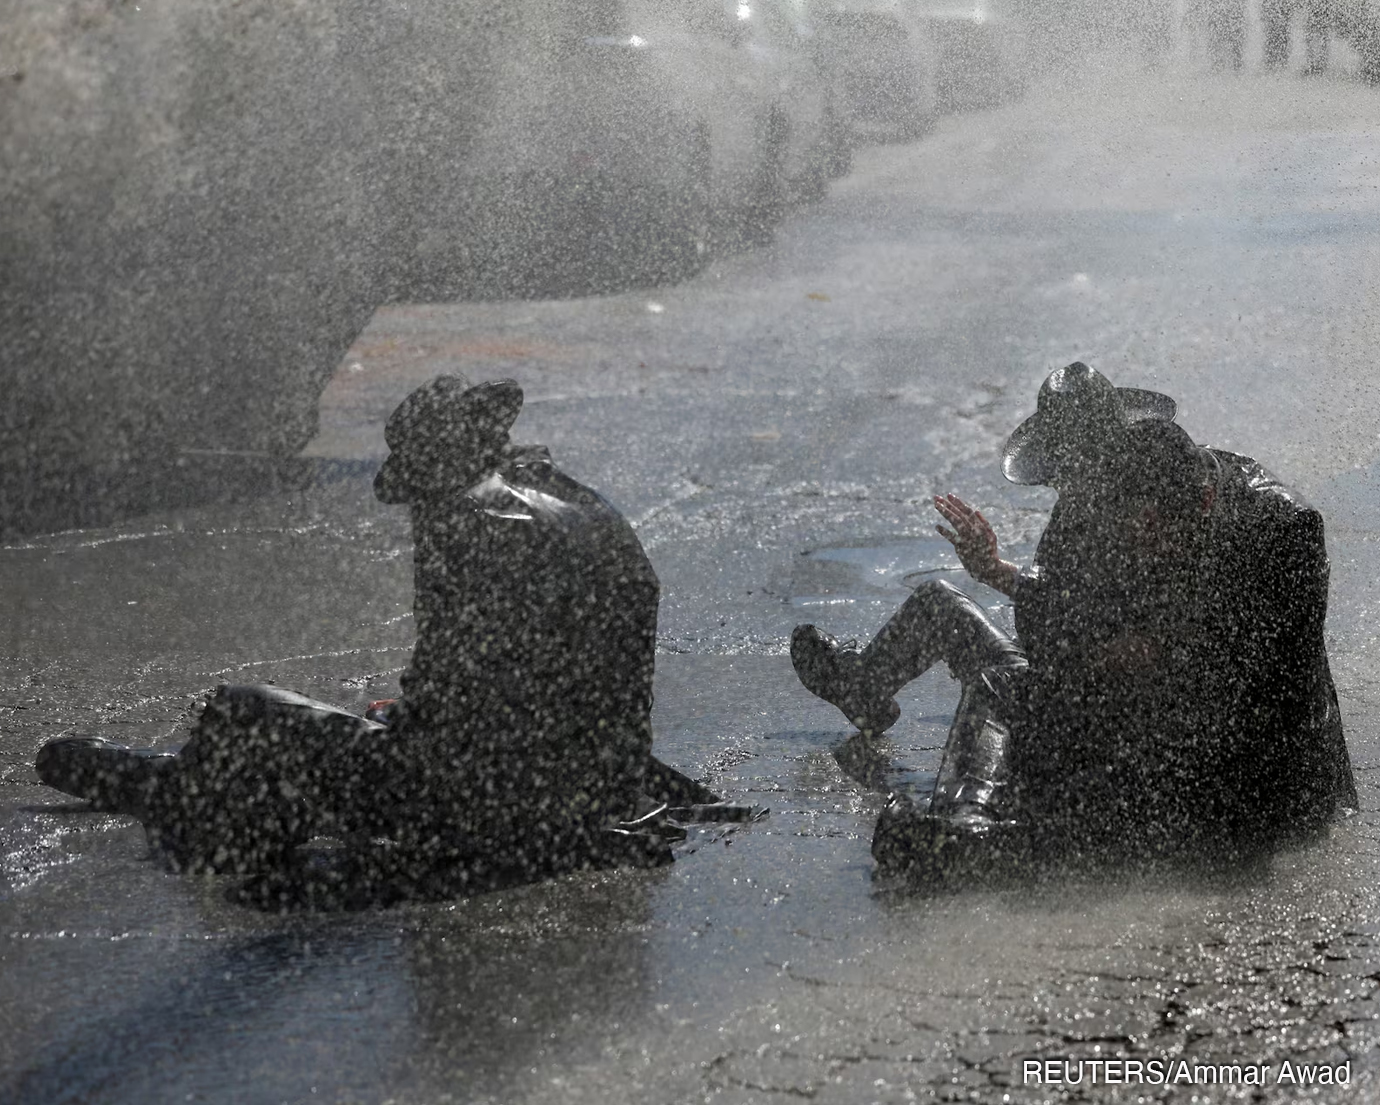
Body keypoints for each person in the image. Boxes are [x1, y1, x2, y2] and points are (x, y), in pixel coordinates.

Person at [37, 374, 711, 890]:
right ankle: (203, 790)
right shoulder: (587, 506)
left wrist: (412, 726)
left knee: (243, 707)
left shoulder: (467, 521)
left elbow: (453, 724)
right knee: (348, 732)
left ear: (435, 470)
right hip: (593, 793)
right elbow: (570, 694)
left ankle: (183, 799)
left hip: (491, 817)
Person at [791, 363, 1357, 877]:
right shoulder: (1097, 506)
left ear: (1199, 503)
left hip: (1245, 776)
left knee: (1009, 691)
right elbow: (1053, 627)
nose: (1133, 543)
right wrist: (1004, 579)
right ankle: (961, 815)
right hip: (1127, 711)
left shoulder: (1280, 530)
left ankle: (973, 840)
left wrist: (1161, 651)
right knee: (972, 637)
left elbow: (1277, 699)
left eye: (1149, 531)